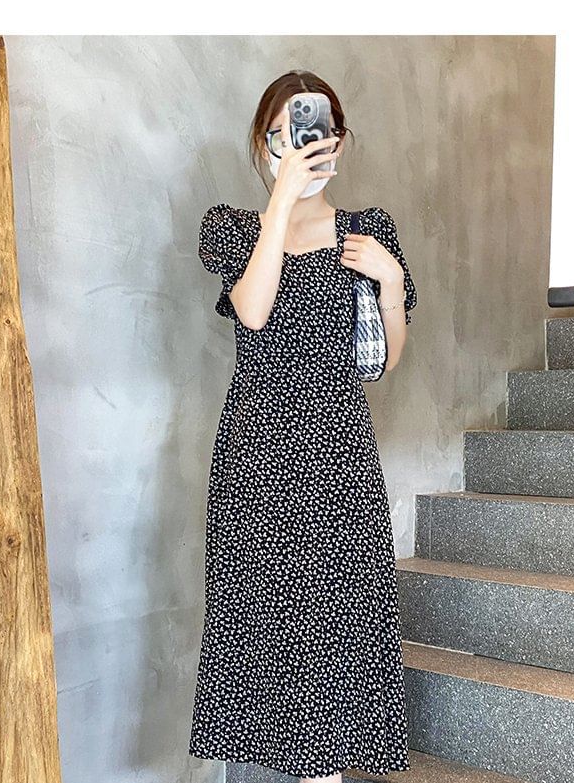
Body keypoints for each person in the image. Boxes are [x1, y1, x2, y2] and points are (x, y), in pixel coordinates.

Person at [189, 70, 417, 783]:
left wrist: (388, 283)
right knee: (264, 629)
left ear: (338, 141)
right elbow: (253, 310)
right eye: (283, 133)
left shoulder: (368, 231)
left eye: (314, 131)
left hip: (339, 454)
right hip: (256, 455)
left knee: (338, 632)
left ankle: (327, 772)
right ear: (265, 144)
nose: (301, 144)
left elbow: (383, 362)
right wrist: (281, 204)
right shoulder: (233, 227)